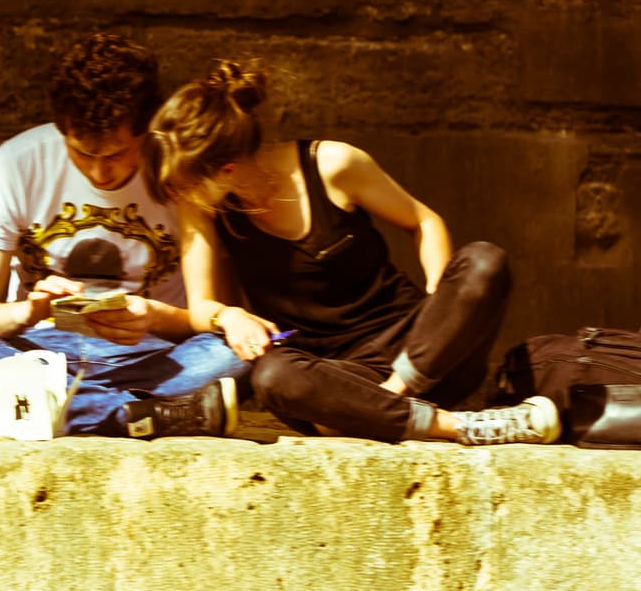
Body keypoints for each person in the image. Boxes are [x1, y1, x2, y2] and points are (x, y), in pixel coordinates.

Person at [141, 61, 558, 445]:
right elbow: (201, 306)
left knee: (484, 260)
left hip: (421, 355)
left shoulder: (332, 165)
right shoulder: (204, 209)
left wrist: (439, 309)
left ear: (225, 170)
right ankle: (460, 426)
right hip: (334, 378)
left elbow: (424, 222)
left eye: (183, 184)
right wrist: (227, 315)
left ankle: (386, 405)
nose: (178, 196)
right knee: (271, 375)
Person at [0, 33, 250, 438]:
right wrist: (28, 313)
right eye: (83, 153)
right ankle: (135, 416)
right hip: (33, 356)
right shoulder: (14, 166)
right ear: (62, 129)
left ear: (145, 130)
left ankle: (13, 414)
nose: (100, 172)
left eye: (117, 154)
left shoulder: (178, 172)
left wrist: (152, 317)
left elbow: (204, 315)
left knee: (237, 353)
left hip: (149, 359)